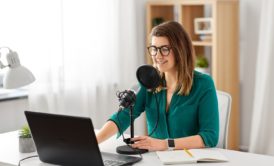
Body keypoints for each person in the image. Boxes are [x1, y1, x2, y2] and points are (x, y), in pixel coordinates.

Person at [96, 21, 219, 151]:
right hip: (155, 159)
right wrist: (93, 142)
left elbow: (210, 136)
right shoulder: (150, 82)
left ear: (180, 50)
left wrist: (165, 144)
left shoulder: (204, 84)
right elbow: (123, 116)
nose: (157, 56)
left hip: (189, 159)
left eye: (164, 49)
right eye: (154, 49)